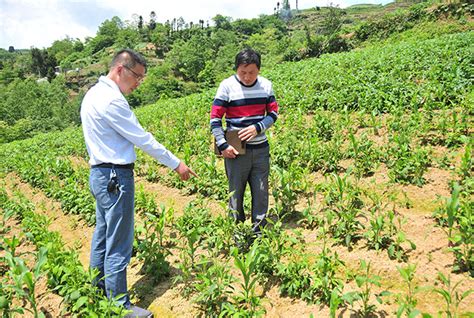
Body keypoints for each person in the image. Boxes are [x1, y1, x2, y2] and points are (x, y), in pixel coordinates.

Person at [81, 49, 196, 318]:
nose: (138, 83)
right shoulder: (112, 101)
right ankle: (120, 305)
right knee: (119, 241)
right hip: (115, 177)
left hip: (99, 174)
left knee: (102, 235)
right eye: (137, 77)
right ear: (121, 69)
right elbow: (142, 139)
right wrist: (176, 163)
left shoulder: (92, 94)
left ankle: (97, 291)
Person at [210, 48, 279, 238]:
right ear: (236, 69)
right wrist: (223, 145)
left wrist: (258, 127)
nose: (247, 77)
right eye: (243, 72)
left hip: (261, 149)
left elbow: (273, 114)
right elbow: (215, 119)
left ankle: (259, 234)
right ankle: (238, 234)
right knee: (236, 193)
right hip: (236, 151)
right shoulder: (226, 86)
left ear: (259, 70)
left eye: (252, 72)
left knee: (261, 191)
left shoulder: (266, 85)